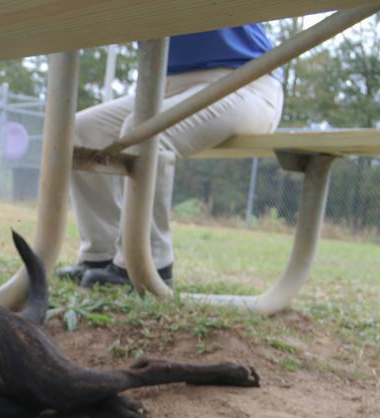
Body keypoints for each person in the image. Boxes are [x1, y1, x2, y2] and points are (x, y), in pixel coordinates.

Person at [59, 26, 284, 288]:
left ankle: (150, 262)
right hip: (163, 83)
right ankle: (100, 254)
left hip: (245, 80)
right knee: (82, 130)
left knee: (142, 130)